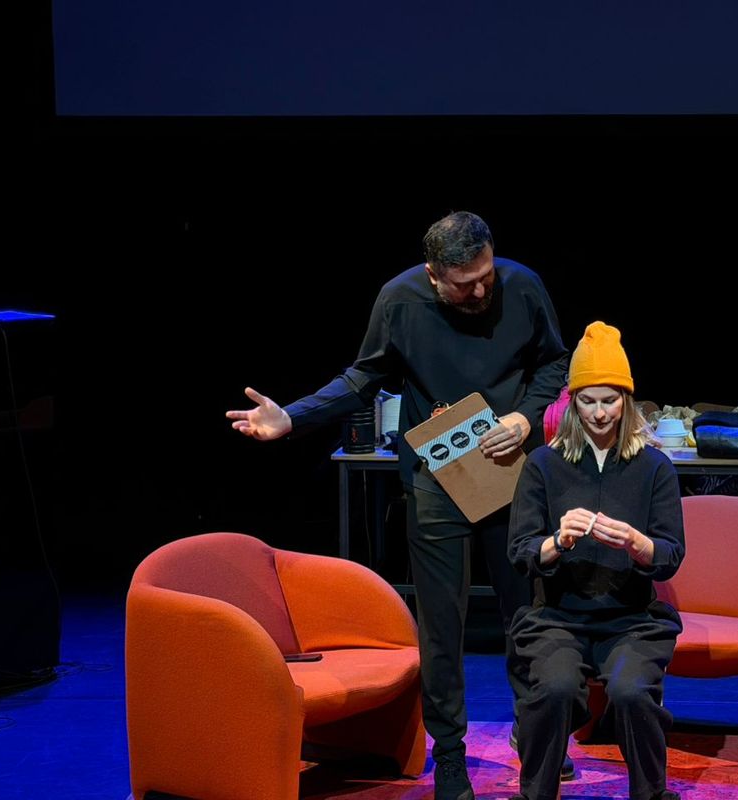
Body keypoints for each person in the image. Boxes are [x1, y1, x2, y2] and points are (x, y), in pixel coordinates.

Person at [225, 211, 569, 800]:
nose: (480, 292)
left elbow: (554, 363)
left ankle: (534, 731)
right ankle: (451, 753)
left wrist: (524, 416)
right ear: (434, 275)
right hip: (437, 475)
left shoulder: (523, 286)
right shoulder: (400, 300)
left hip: (510, 468)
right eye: (464, 284)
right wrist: (293, 417)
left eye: (485, 276)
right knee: (442, 624)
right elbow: (362, 379)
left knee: (526, 612)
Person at [508, 321, 685, 800]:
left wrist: (637, 543)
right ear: (573, 402)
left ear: (626, 400)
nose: (600, 413)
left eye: (610, 400)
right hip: (557, 617)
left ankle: (651, 793)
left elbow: (671, 553)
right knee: (555, 689)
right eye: (588, 401)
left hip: (632, 619)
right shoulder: (543, 465)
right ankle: (536, 793)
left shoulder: (654, 467)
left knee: (631, 692)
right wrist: (557, 541)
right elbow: (521, 550)